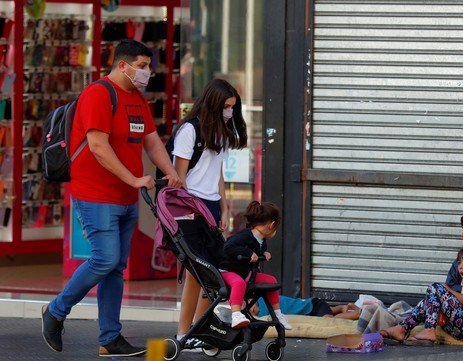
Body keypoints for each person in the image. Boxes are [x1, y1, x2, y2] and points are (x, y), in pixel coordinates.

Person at [41, 39, 181, 357]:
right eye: (142, 66)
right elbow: (98, 147)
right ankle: (55, 311)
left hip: (125, 198)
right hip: (95, 194)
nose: (147, 73)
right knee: (104, 259)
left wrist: (171, 172)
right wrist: (134, 178)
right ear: (122, 65)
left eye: (149, 67)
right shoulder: (98, 94)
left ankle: (109, 337)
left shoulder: (137, 99)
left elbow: (152, 141)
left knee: (115, 266)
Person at [172, 78, 247, 349]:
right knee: (197, 271)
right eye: (226, 107)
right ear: (214, 104)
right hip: (190, 207)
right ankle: (183, 332)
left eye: (232, 107)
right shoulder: (189, 131)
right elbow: (178, 179)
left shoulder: (222, 133)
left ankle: (200, 328)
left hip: (212, 206)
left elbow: (218, 175)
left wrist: (225, 208)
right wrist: (190, 210)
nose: (229, 112)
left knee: (213, 274)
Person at [379, 245, 463, 344]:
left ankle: (429, 330)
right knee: (427, 302)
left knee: (435, 288)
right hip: (461, 327)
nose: (460, 266)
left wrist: (449, 291)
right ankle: (402, 329)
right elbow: (460, 306)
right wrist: (441, 311)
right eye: (459, 262)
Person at [221, 201, 292, 330]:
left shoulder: (261, 240)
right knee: (239, 283)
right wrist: (248, 252)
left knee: (271, 281)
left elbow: (257, 251)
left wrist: (263, 253)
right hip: (228, 271)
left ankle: (276, 314)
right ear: (272, 225)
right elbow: (228, 246)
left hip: (246, 273)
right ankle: (236, 314)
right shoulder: (245, 235)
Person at [250, 296, 361, 320]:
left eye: (251, 306)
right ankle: (341, 308)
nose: (252, 310)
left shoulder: (263, 299)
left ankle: (356, 312)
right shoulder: (261, 315)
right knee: (318, 313)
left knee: (327, 319)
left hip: (315, 304)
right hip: (310, 310)